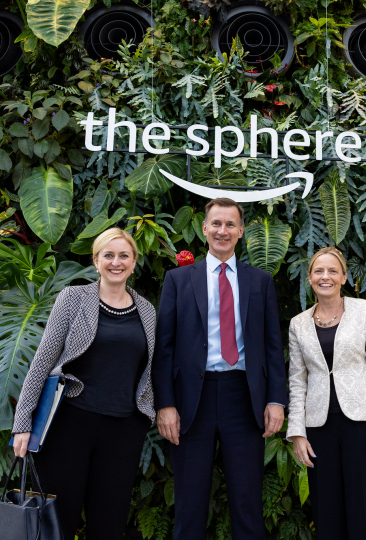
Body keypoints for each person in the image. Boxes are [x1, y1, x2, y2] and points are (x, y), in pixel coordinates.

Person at [153, 197, 287, 540]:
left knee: (247, 503)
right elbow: (163, 348)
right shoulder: (178, 280)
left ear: (241, 231)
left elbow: (273, 347)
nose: (222, 231)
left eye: (230, 224)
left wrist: (276, 400)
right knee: (189, 502)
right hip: (189, 401)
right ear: (204, 228)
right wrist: (165, 405)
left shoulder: (260, 282)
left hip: (243, 397)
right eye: (216, 223)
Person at [11, 227, 157, 540]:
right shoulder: (73, 298)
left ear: (133, 262)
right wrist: (22, 422)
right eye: (108, 255)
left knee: (110, 522)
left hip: (123, 430)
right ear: (96, 261)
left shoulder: (146, 311)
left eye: (123, 256)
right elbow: (43, 361)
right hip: (71, 424)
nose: (116, 262)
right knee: (57, 522)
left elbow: (149, 370)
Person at [286, 246, 366, 540]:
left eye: (332, 271)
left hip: (362, 425)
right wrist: (297, 432)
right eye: (319, 271)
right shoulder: (298, 324)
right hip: (319, 429)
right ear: (310, 278)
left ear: (344, 277)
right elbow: (298, 381)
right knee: (327, 509)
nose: (326, 276)